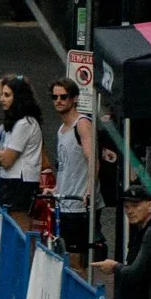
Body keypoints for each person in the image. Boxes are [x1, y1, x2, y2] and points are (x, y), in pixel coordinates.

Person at [0, 73, 43, 231]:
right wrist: (2, 155)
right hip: (12, 179)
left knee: (20, 226)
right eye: (2, 94)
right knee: (11, 224)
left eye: (7, 95)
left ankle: (24, 256)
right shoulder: (16, 123)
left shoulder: (25, 123)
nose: (2, 99)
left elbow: (7, 160)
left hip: (20, 180)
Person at [50, 78, 95, 272]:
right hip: (63, 202)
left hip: (78, 204)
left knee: (77, 262)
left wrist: (89, 191)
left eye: (63, 97)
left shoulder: (82, 124)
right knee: (65, 256)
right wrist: (56, 188)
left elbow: (92, 159)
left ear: (74, 98)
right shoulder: (61, 129)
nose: (58, 100)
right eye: (54, 97)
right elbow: (65, 165)